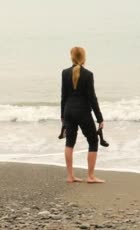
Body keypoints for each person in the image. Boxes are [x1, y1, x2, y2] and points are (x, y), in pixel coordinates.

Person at [60, 46, 105, 183]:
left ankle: (70, 176)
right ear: (84, 58)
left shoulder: (64, 73)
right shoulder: (88, 74)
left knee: (69, 142)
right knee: (93, 141)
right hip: (83, 112)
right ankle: (90, 176)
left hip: (68, 111)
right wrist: (99, 118)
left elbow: (63, 95)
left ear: (71, 57)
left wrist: (62, 115)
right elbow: (92, 98)